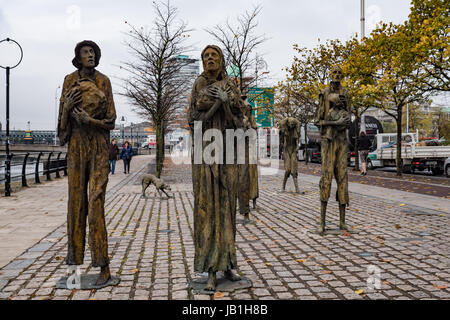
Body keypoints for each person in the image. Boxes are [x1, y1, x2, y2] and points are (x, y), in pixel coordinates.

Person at [57, 40, 116, 285]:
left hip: (99, 147)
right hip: (77, 147)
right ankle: (74, 265)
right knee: (76, 203)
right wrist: (66, 109)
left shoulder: (104, 81)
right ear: (78, 57)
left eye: (92, 52)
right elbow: (61, 134)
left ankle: (103, 266)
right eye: (85, 52)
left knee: (95, 202)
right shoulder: (69, 81)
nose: (90, 55)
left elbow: (111, 121)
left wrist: (89, 120)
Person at [188, 45, 244, 291]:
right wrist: (217, 105)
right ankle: (210, 268)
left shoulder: (231, 85)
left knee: (227, 207)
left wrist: (226, 105)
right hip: (205, 150)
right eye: (206, 56)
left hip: (227, 150)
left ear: (222, 61)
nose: (210, 59)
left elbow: (238, 122)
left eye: (214, 56)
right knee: (207, 207)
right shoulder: (199, 84)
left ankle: (228, 262)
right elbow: (193, 121)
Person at [314, 66, 351, 235]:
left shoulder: (346, 93)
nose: (337, 76)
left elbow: (349, 119)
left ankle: (342, 222)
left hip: (342, 141)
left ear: (342, 76)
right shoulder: (325, 93)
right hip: (328, 141)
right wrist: (332, 123)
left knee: (343, 178)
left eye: (339, 73)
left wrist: (344, 120)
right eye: (334, 73)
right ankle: (322, 222)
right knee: (326, 177)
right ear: (330, 75)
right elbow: (317, 120)